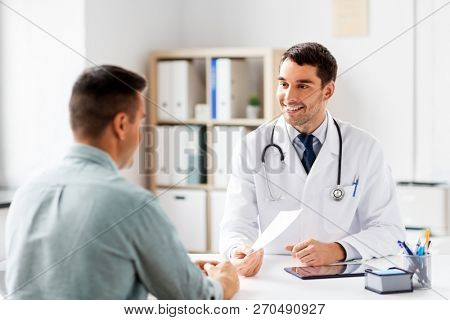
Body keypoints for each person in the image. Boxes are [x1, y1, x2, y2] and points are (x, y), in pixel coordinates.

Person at [5, 65, 239, 299]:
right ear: (121, 125)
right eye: (140, 123)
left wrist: (177, 269)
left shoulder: (28, 192)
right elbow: (196, 300)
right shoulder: (131, 203)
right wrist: (224, 282)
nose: (140, 135)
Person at [220, 43, 406, 277]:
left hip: (340, 277)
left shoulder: (364, 147)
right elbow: (235, 224)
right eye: (284, 84)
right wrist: (239, 249)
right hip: (274, 276)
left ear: (327, 91)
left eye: (302, 86)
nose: (289, 97)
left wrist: (338, 250)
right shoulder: (252, 146)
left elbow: (390, 230)